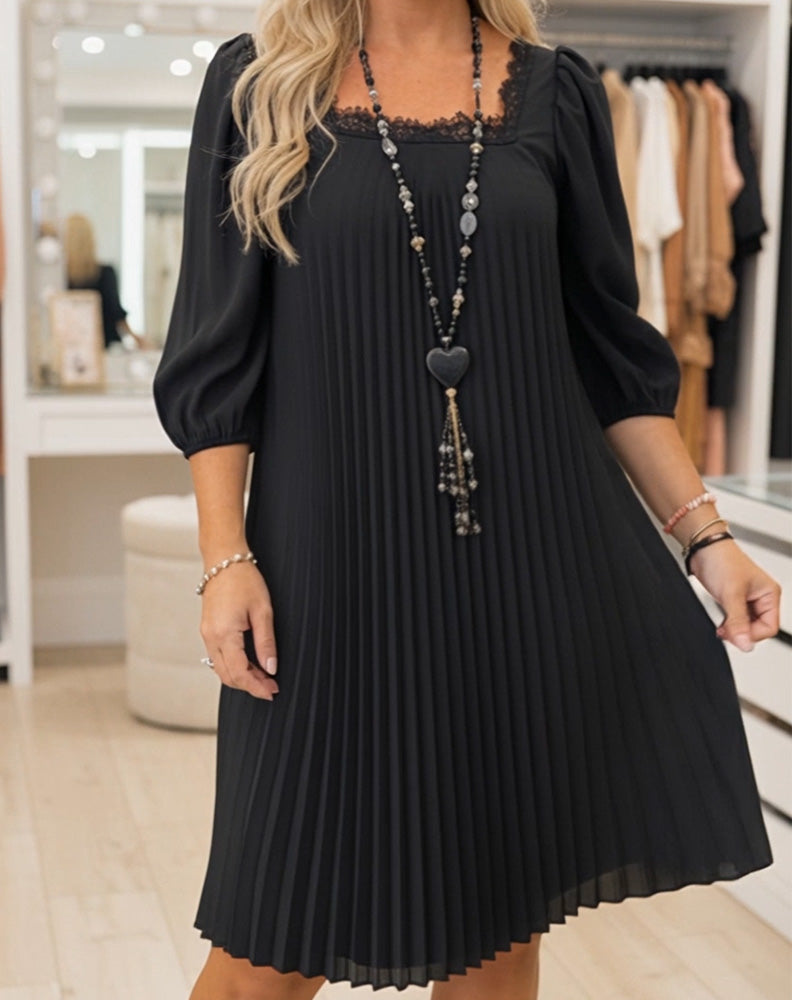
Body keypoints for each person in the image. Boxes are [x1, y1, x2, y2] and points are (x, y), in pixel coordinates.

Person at [152, 2, 782, 998]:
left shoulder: (556, 92)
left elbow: (608, 359)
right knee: (264, 950)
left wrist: (708, 538)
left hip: (530, 569)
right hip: (331, 569)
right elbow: (216, 353)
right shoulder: (258, 82)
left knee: (498, 930)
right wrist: (224, 558)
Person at [64, 212, 143, 349]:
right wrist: (136, 338)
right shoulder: (105, 273)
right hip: (106, 346)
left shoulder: (61, 280)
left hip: (73, 348)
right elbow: (116, 312)